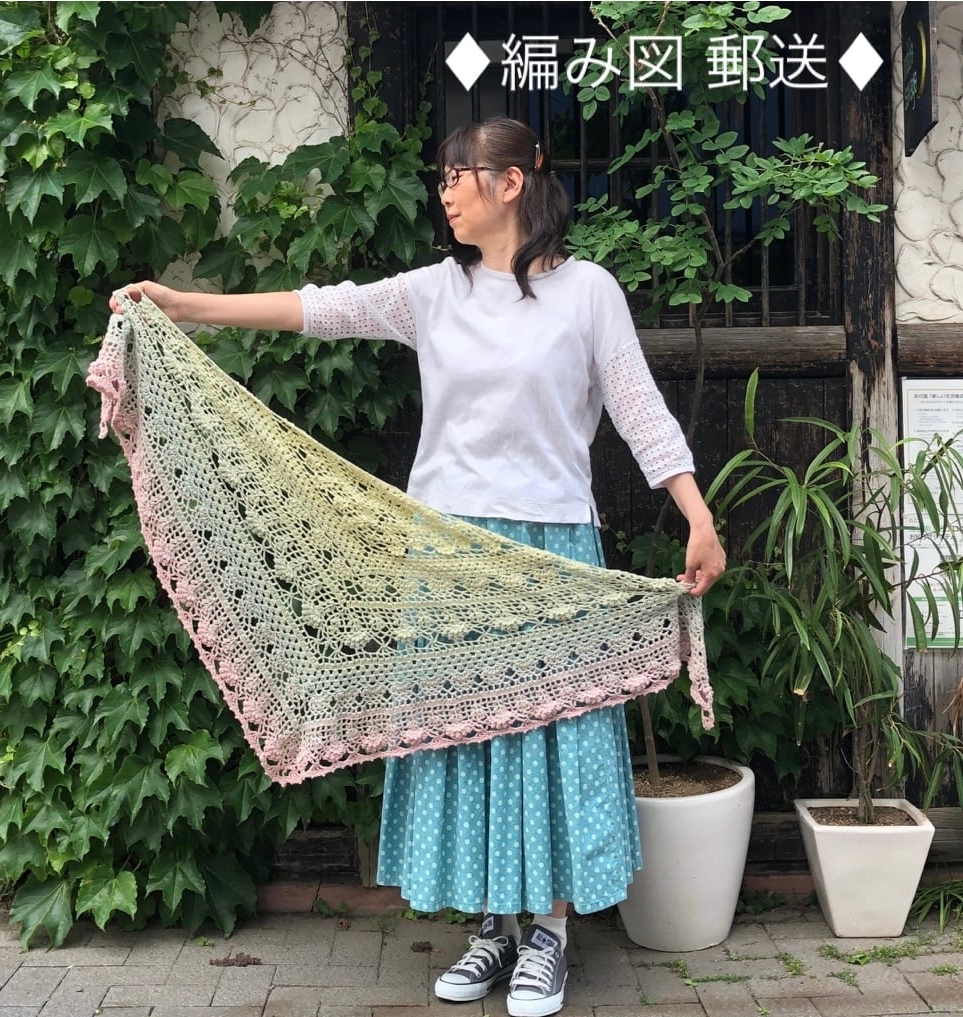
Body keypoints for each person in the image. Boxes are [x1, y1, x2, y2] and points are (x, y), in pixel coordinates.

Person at [111, 116, 725, 1017]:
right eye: (441, 177)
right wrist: (187, 305)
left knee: (543, 736)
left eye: (455, 175)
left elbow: (638, 409)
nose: (444, 193)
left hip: (549, 546)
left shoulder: (588, 292)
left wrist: (697, 516)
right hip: (444, 549)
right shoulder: (433, 292)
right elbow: (319, 308)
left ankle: (549, 934)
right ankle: (493, 930)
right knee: (463, 736)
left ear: (510, 182)